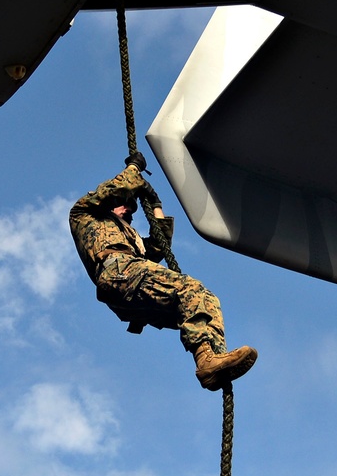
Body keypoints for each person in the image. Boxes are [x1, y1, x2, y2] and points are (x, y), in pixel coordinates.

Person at [69, 156, 258, 390]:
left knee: (205, 300)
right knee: (190, 288)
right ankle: (208, 361)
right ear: (110, 203)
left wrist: (156, 204)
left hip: (129, 292)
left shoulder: (132, 239)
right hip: (119, 273)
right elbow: (120, 186)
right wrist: (134, 168)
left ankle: (211, 359)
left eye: (132, 208)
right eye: (124, 204)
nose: (129, 209)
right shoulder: (85, 213)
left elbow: (160, 245)